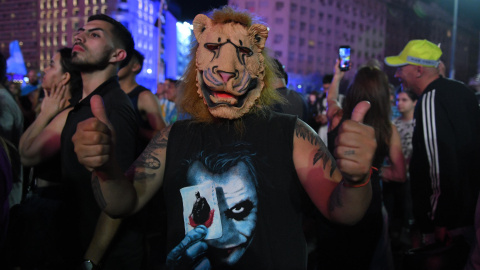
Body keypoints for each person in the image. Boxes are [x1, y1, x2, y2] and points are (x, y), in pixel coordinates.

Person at [72, 6, 376, 269]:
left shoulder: (293, 132)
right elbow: (123, 202)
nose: (225, 69)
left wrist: (357, 180)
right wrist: (106, 167)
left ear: (261, 69)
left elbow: (345, 211)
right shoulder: (172, 137)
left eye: (243, 52)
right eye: (213, 49)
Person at [385, 39, 480, 265]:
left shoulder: (430, 99)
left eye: (401, 67)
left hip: (448, 224)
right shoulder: (462, 91)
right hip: (469, 212)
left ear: (418, 69)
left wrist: (439, 220)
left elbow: (439, 165)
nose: (397, 74)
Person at [308, 59, 405, 270]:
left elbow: (331, 99)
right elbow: (399, 173)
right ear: (382, 94)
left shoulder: (338, 118)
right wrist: (373, 171)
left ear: (354, 90)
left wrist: (338, 75)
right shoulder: (389, 130)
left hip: (334, 200)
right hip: (369, 204)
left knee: (332, 259)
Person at [12, 47, 83, 269]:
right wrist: (44, 113)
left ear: (65, 77)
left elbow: (27, 156)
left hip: (51, 207)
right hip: (41, 202)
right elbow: (22, 148)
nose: (44, 69)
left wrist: (43, 114)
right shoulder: (55, 110)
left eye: (51, 65)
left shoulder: (69, 113)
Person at [118, 49, 166, 152]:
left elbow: (163, 136)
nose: (118, 61)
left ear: (135, 66)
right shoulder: (113, 94)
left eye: (124, 59)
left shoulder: (144, 96)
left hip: (137, 164)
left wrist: (134, 129)